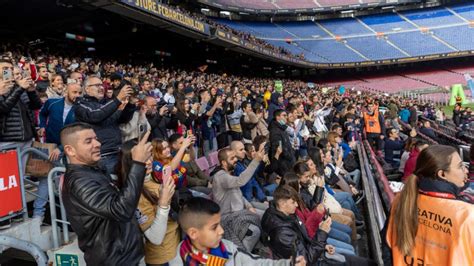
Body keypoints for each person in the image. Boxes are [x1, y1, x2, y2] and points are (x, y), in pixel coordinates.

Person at [60, 123, 152, 265]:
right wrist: (138, 164)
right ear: (70, 150)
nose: (97, 144)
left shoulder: (93, 171)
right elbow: (121, 209)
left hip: (123, 257)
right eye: (88, 141)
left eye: (96, 139)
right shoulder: (79, 182)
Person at [383, 145, 473, 265]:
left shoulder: (401, 200)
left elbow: (387, 249)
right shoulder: (467, 215)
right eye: (460, 166)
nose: (466, 170)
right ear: (442, 174)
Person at [169, 197, 305, 265]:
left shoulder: (227, 248)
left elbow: (256, 263)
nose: (221, 231)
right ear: (193, 233)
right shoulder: (179, 262)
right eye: (214, 227)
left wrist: (288, 263)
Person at [262, 185, 374, 265]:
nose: (296, 205)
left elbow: (304, 237)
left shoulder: (287, 215)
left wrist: (323, 246)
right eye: (293, 202)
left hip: (316, 252)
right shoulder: (281, 233)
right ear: (282, 203)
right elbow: (306, 260)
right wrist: (322, 232)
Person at [116, 139, 177, 266]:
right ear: (129, 162)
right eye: (143, 159)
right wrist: (164, 203)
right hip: (162, 257)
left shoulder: (150, 178)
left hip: (173, 246)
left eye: (150, 156)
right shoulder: (136, 195)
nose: (149, 162)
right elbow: (155, 237)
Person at [74, 76, 135, 175]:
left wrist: (130, 104)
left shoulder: (106, 104)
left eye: (102, 85)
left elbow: (121, 118)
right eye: (97, 85)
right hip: (103, 156)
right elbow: (96, 115)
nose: (102, 87)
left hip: (118, 152)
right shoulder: (81, 104)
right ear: (87, 89)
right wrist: (118, 99)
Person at [211, 145, 266, 252]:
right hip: (229, 217)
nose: (236, 160)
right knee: (254, 231)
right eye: (232, 158)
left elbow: (239, 194)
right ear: (224, 163)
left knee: (267, 215)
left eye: (235, 157)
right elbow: (241, 181)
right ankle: (242, 257)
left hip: (242, 212)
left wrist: (249, 206)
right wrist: (256, 160)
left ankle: (257, 249)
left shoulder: (229, 174)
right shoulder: (220, 176)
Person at [231, 141, 268, 211]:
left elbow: (253, 181)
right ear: (233, 152)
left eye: (244, 149)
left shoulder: (243, 163)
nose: (244, 151)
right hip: (247, 201)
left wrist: (263, 199)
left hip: (254, 196)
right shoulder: (234, 167)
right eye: (241, 150)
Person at [269, 109, 296, 176]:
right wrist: (290, 156)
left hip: (288, 162)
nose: (286, 117)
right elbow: (279, 149)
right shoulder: (275, 131)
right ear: (277, 117)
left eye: (286, 115)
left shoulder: (282, 128)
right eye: (284, 115)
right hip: (284, 165)